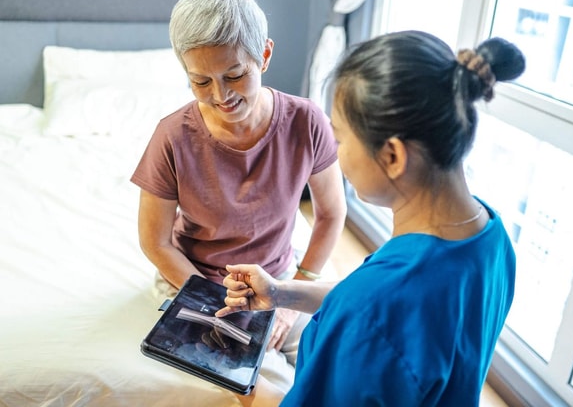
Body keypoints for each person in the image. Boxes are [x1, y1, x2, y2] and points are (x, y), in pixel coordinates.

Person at [216, 30, 526, 406]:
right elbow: (393, 316)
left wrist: (238, 381)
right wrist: (282, 293)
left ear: (393, 156)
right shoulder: (492, 240)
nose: (335, 152)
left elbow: (374, 313)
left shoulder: (371, 312)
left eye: (341, 138)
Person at [130, 0, 347, 372]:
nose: (219, 95)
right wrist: (212, 300)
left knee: (335, 365)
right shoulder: (172, 136)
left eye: (234, 76)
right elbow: (155, 241)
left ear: (263, 55)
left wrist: (290, 299)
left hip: (278, 275)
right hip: (194, 278)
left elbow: (332, 214)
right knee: (220, 378)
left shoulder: (306, 121)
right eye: (200, 81)